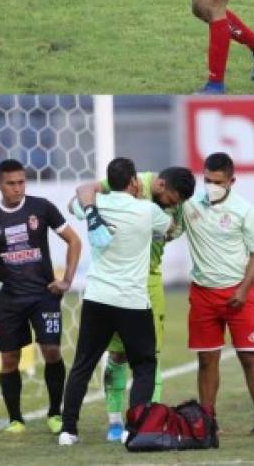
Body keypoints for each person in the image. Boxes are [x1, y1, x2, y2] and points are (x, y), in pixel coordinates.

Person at [58, 158, 171, 446]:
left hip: (98, 297)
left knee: (83, 363)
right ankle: (135, 429)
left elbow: (74, 202)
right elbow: (169, 227)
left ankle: (68, 430)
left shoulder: (98, 204)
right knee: (144, 365)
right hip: (132, 300)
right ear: (134, 182)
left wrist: (94, 206)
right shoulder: (147, 210)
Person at [81, 167, 195, 441]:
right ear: (160, 184)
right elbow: (86, 191)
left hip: (149, 279)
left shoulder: (176, 206)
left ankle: (146, 421)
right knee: (117, 355)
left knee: (149, 357)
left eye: (179, 202)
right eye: (173, 199)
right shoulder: (134, 182)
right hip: (115, 281)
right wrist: (92, 215)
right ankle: (114, 422)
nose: (175, 205)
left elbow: (172, 231)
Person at [0, 159, 81, 434]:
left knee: (51, 351)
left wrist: (67, 281)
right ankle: (15, 419)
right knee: (9, 359)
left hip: (43, 295)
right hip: (9, 299)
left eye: (21, 182)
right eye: (11, 184)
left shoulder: (41, 208)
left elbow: (74, 240)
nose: (17, 189)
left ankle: (55, 413)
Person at [178, 152, 254, 435]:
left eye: (217, 181)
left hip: (238, 292)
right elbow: (172, 229)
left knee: (249, 357)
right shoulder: (189, 206)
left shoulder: (246, 211)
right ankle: (208, 419)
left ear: (232, 181)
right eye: (206, 180)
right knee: (206, 359)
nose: (210, 186)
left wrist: (243, 289)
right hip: (203, 293)